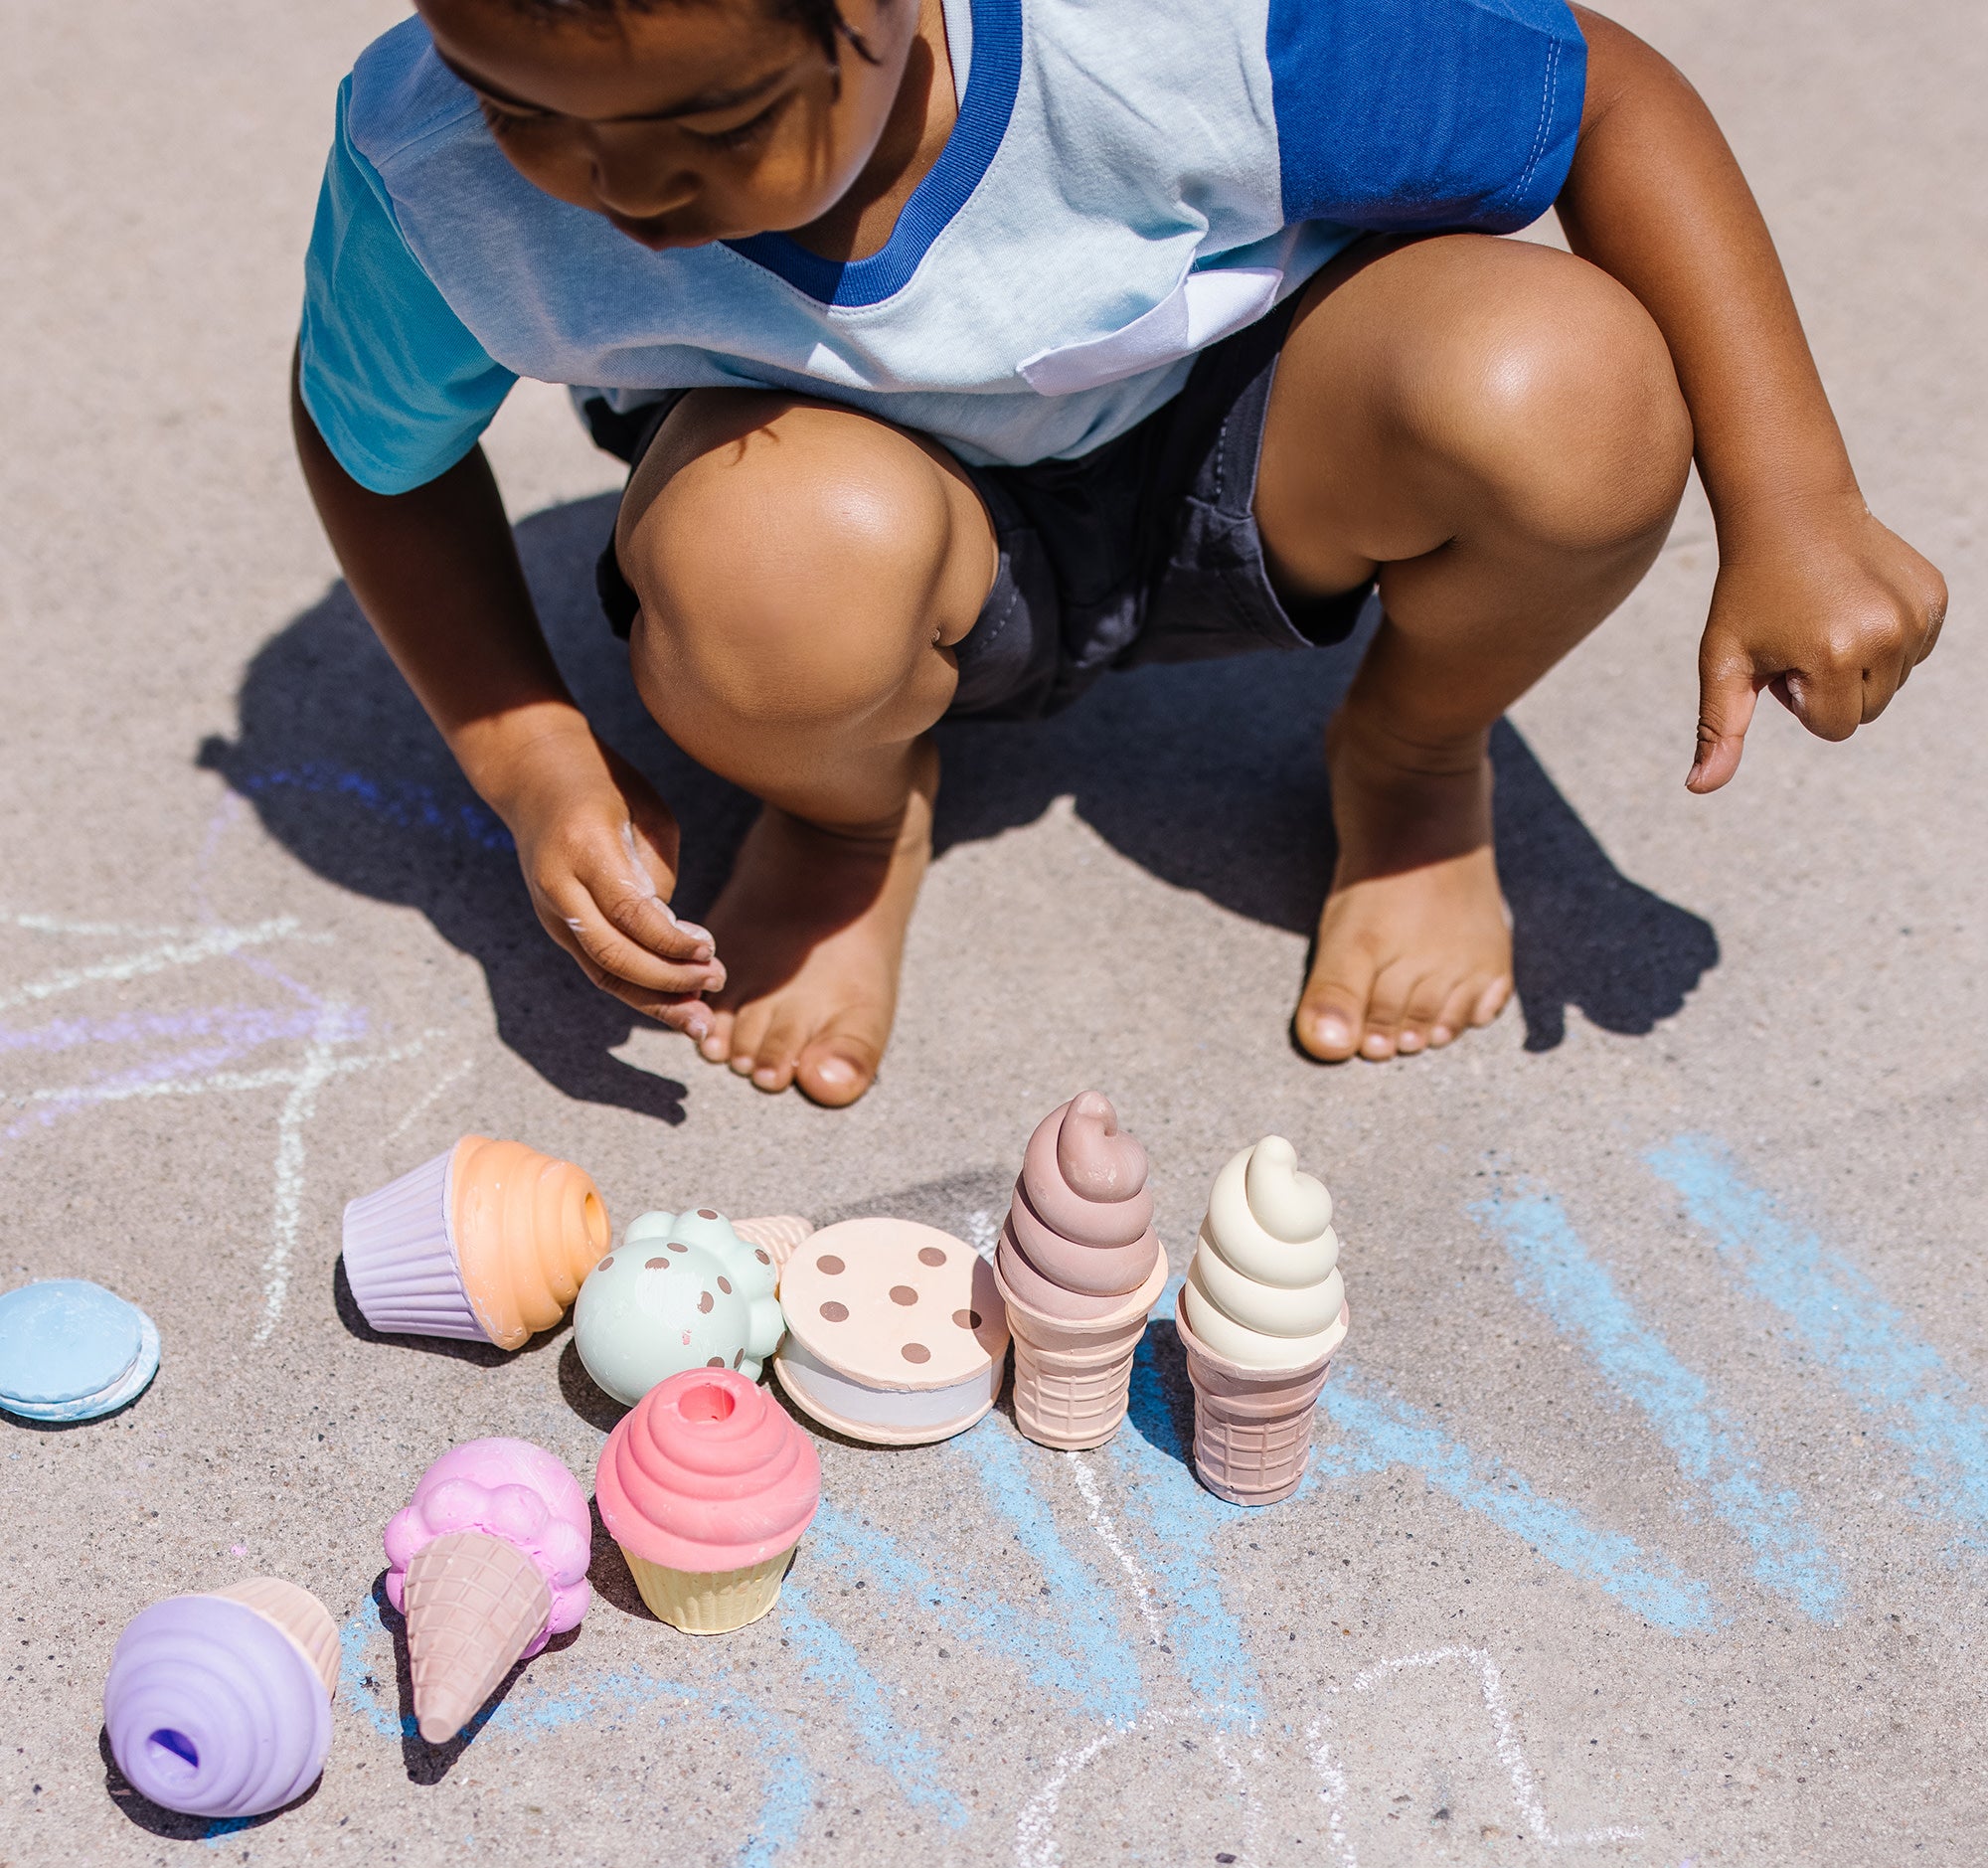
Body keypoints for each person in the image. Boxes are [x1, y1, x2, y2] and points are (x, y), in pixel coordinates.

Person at [294, 0, 1945, 1105]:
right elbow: (371, 445)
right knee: (768, 574)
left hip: (1259, 447)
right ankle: (847, 810)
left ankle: (1418, 750)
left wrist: (1791, 497)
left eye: (719, 122)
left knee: (1568, 393)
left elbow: (1600, 89)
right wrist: (526, 754)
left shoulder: (1172, 29)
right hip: (850, 531)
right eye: (530, 112)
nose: (627, 189)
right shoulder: (437, 165)